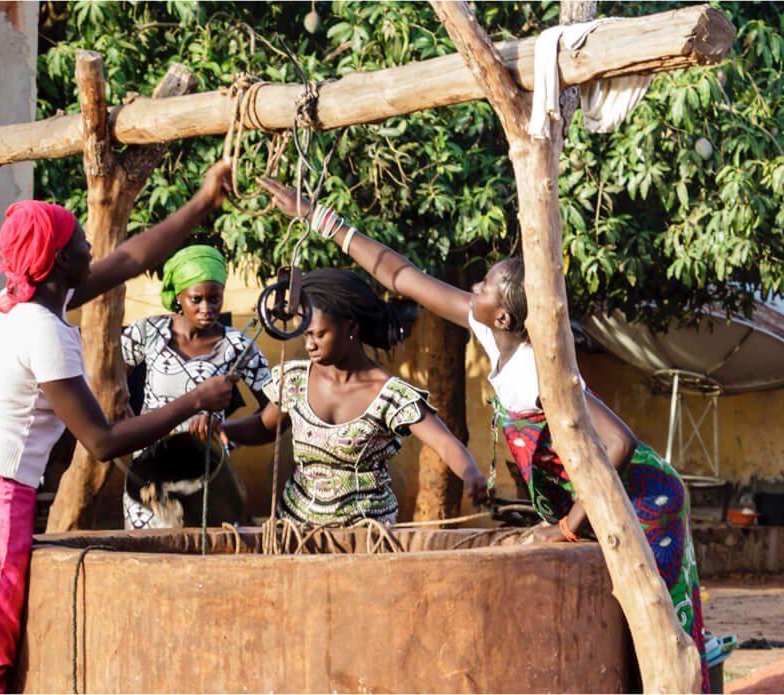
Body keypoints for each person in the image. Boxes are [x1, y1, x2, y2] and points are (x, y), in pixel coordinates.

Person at [256, 176, 710, 691]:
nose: (472, 289)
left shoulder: (543, 369)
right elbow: (402, 275)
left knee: (653, 630)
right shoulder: (494, 337)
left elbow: (619, 444)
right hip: (599, 497)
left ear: (504, 313)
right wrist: (317, 217)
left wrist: (566, 527)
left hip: (642, 499)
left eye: (484, 286)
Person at [0, 161, 238, 694]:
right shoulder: (46, 333)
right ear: (60, 260)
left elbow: (129, 259)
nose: (91, 247)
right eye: (82, 239)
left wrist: (202, 202)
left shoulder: (16, 299)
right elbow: (102, 442)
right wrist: (195, 400)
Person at [191, 268, 489, 526]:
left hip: (365, 537)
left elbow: (445, 444)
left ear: (351, 328)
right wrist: (223, 431)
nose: (309, 344)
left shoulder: (390, 395)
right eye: (304, 335)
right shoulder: (294, 379)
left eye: (318, 334)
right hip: (296, 530)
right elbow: (265, 427)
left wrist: (472, 474)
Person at [121, 244, 271, 529]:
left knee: (207, 559)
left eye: (215, 299)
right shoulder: (147, 334)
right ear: (178, 296)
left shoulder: (236, 346)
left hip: (208, 477)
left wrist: (226, 434)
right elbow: (110, 388)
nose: (207, 309)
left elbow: (276, 409)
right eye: (196, 299)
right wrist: (134, 431)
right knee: (148, 561)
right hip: (151, 479)